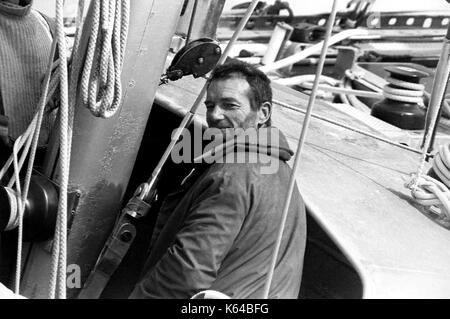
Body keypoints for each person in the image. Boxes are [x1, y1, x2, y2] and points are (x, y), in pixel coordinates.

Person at [129, 61, 306, 299]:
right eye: (210, 105)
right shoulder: (282, 174)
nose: (214, 115)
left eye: (229, 105)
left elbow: (187, 271)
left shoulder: (233, 173)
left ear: (263, 113)